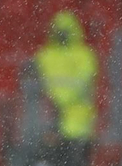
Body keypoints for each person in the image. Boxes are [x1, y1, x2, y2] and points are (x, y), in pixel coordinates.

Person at [34, 11, 98, 154]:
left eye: (65, 31)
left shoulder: (85, 55)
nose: (62, 35)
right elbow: (36, 84)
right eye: (60, 31)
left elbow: (83, 84)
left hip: (78, 122)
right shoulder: (44, 55)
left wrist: (58, 100)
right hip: (49, 123)